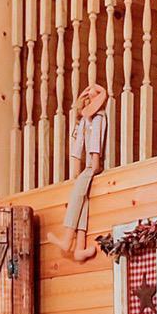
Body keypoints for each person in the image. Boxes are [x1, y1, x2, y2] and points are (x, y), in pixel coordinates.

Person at [45, 83, 111, 260]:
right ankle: (79, 247)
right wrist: (75, 169)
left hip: (92, 165)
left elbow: (96, 142)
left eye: (91, 98)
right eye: (87, 99)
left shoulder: (98, 118)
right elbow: (77, 143)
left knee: (76, 195)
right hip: (86, 167)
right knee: (83, 199)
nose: (87, 102)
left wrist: (95, 164)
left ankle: (67, 239)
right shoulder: (85, 121)